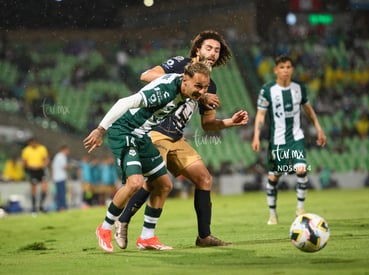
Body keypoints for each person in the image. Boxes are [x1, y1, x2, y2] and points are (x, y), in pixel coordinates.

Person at [114, 30, 248, 249]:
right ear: (197, 49)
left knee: (204, 179)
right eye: (209, 48)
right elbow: (146, 75)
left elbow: (207, 125)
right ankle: (124, 220)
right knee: (155, 180)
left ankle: (204, 237)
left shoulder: (210, 85)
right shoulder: (180, 64)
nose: (213, 53)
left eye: (217, 50)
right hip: (155, 130)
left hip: (176, 137)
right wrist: (184, 83)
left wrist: (230, 122)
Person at [83, 62, 211, 253]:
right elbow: (124, 102)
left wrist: (204, 95)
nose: (201, 92)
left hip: (142, 135)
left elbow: (194, 92)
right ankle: (105, 228)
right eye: (198, 87)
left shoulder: (185, 90)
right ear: (185, 81)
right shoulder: (164, 91)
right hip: (124, 132)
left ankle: (146, 237)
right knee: (134, 183)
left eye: (205, 87)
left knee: (164, 185)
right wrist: (101, 130)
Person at [251, 54, 326, 225]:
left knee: (301, 169)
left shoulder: (299, 88)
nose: (285, 71)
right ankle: (272, 215)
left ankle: (300, 209)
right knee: (273, 178)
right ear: (275, 70)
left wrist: (319, 128)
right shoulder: (267, 89)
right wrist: (256, 135)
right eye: (282, 67)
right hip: (277, 141)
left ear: (292, 69)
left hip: (296, 138)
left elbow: (308, 110)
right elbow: (261, 115)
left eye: (288, 67)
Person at [21, 137, 50, 214]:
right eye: (31, 143)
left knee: (45, 189)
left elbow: (46, 159)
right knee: (34, 190)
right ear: (29, 143)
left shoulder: (42, 148)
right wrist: (29, 167)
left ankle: (41, 206)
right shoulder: (26, 150)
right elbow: (24, 162)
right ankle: (34, 208)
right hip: (32, 171)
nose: (33, 144)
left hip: (41, 170)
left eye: (34, 142)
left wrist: (42, 165)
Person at [51, 145, 70, 211]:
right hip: (60, 177)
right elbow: (64, 167)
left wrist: (53, 177)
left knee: (59, 193)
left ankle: (59, 207)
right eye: (67, 150)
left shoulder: (57, 156)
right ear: (64, 150)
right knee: (62, 193)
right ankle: (62, 207)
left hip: (57, 177)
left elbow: (53, 167)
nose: (68, 152)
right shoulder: (61, 156)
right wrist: (70, 167)